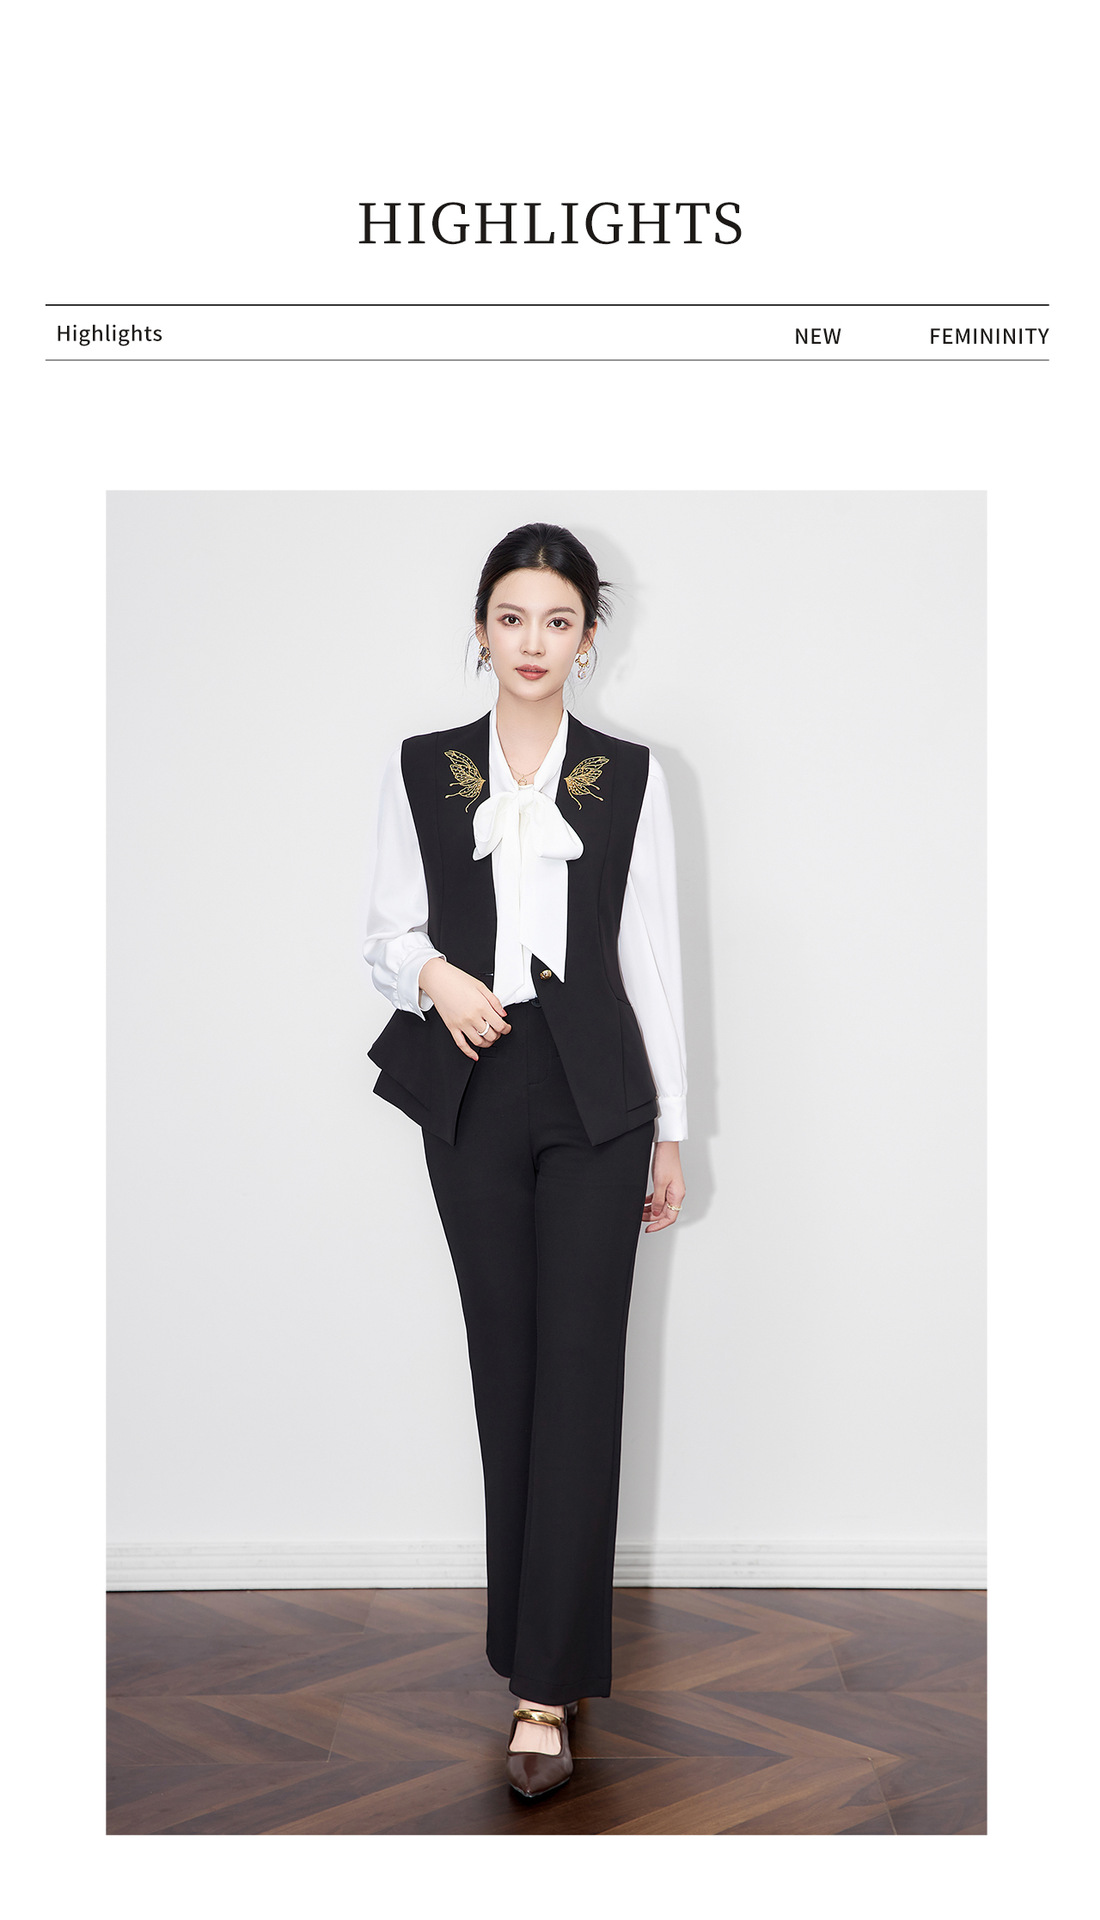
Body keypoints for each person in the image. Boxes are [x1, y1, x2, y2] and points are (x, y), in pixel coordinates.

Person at [362, 522, 687, 1801]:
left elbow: (649, 954)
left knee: (581, 1378)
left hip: (597, 1093)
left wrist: (672, 1126)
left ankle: (546, 1692)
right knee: (507, 1373)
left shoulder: (628, 775)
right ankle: (523, 1656)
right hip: (474, 1084)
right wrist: (437, 977)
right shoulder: (423, 767)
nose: (533, 642)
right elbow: (384, 930)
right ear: (481, 629)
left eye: (557, 620)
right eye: (512, 617)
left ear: (587, 638)